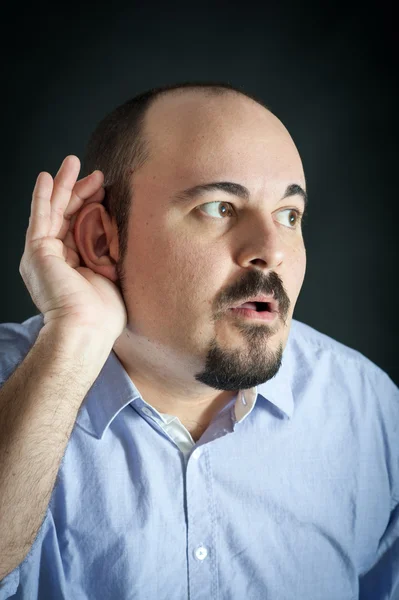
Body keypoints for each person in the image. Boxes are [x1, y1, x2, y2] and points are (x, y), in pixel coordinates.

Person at [0, 81, 397, 600]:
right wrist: (75, 336)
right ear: (102, 239)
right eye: (220, 208)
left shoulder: (370, 411)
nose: (271, 251)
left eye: (289, 215)